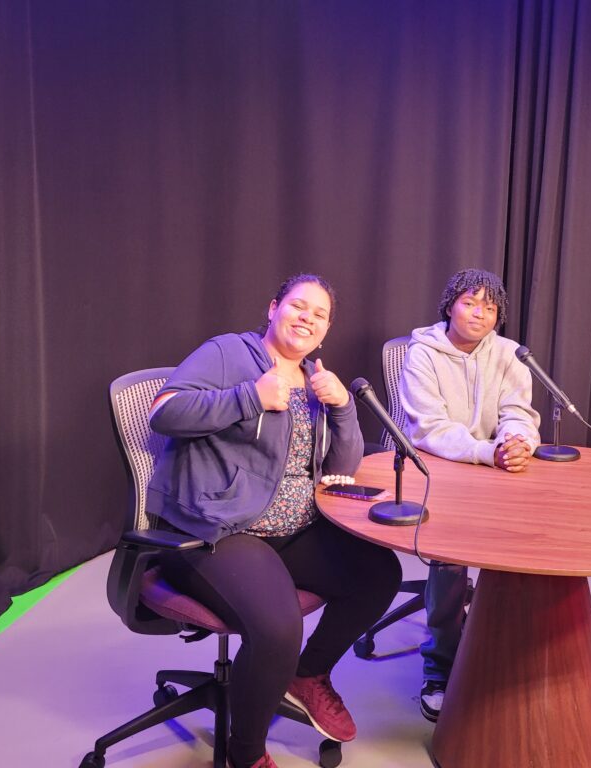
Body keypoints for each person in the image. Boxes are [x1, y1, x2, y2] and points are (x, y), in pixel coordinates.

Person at [147, 274, 402, 768]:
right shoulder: (229, 353)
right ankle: (244, 755)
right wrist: (249, 397)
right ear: (273, 308)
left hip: (292, 530)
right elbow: (164, 412)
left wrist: (343, 407)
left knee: (379, 574)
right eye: (297, 306)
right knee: (279, 627)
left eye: (319, 314)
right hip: (215, 531)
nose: (306, 317)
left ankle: (306, 675)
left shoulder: (314, 378)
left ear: (325, 332)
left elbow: (341, 470)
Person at [399, 267, 541, 723]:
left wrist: (517, 442)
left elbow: (519, 410)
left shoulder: (509, 354)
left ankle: (510, 658)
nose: (479, 313)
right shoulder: (420, 353)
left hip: (492, 466)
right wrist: (487, 451)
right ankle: (439, 668)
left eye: (490, 306)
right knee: (450, 559)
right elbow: (430, 429)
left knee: (533, 540)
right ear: (449, 305)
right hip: (437, 469)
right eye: (469, 302)